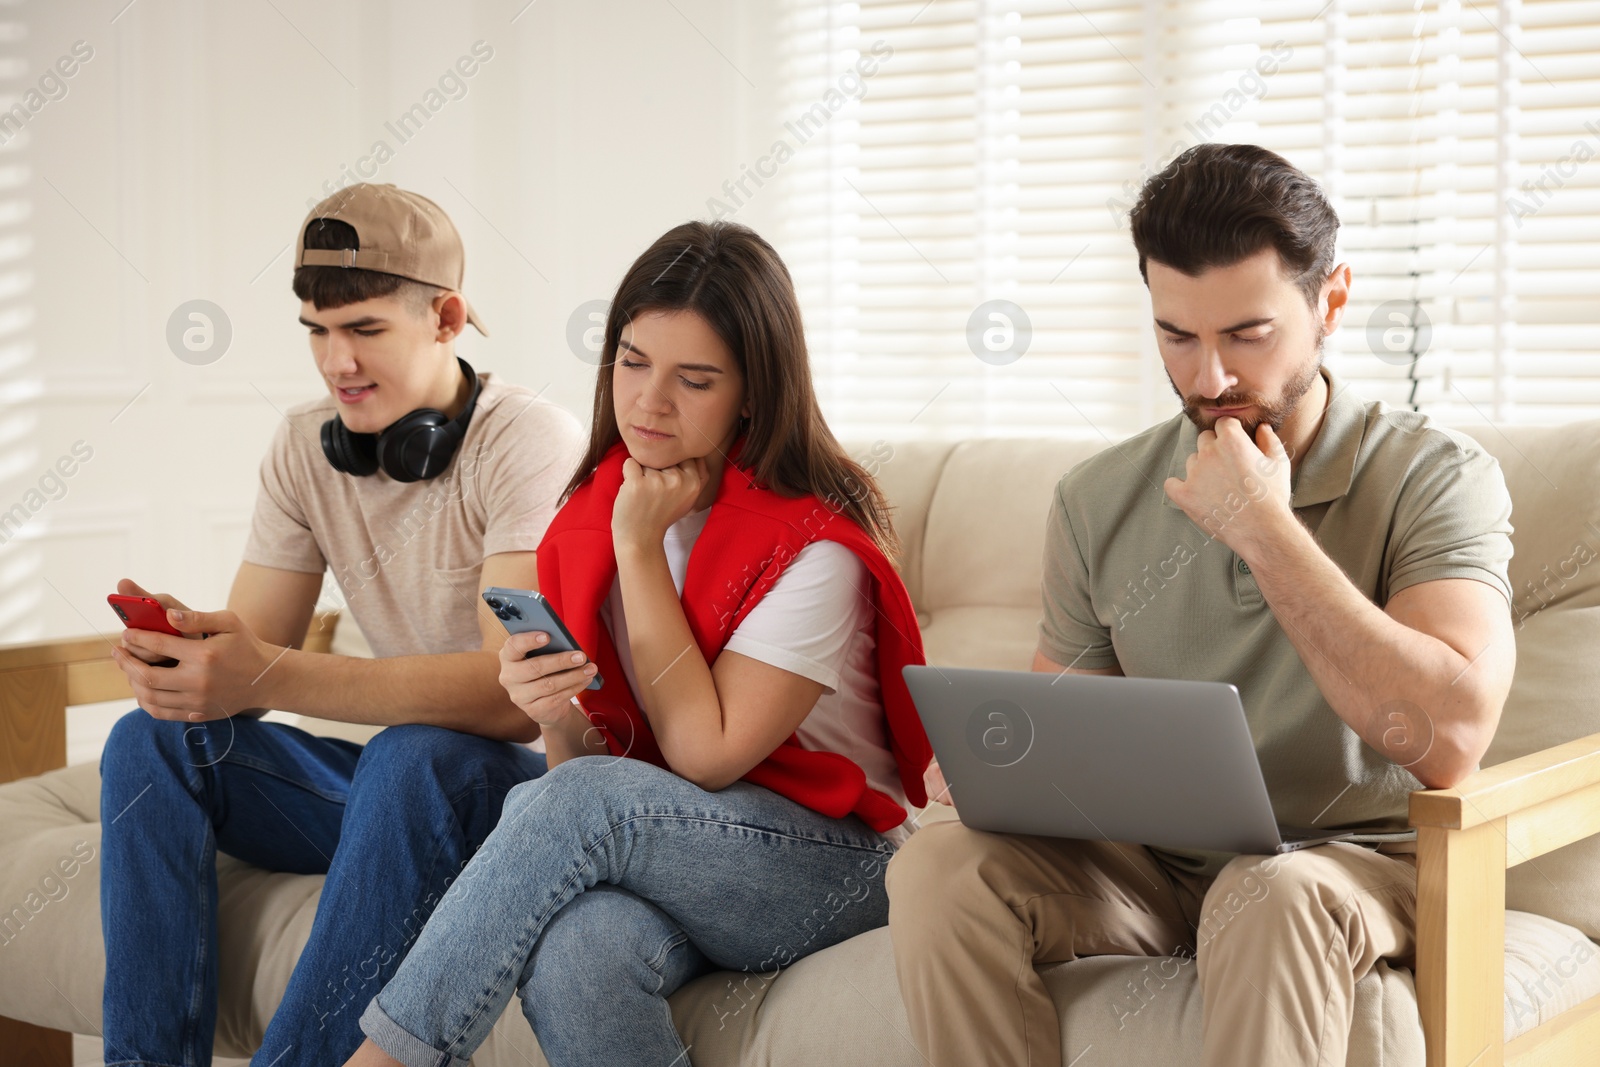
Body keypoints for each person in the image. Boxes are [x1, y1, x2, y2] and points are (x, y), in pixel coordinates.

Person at [885, 143, 1517, 1067]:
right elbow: (1069, 729)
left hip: (1360, 867)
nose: (1209, 378)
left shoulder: (1435, 477)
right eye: (1176, 335)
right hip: (1163, 871)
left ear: (1330, 302)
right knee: (942, 867)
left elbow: (1449, 734)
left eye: (1248, 334)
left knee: (1265, 893)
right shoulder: (1098, 497)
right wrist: (999, 761)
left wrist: (1265, 530)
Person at [339, 219, 933, 1067]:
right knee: (579, 947)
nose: (649, 401)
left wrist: (640, 549)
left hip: (837, 865)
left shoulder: (816, 548)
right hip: (685, 847)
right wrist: (554, 708)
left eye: (694, 379)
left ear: (753, 395)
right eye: (632, 360)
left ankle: (388, 1058)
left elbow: (701, 753)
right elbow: (585, 769)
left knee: (571, 808)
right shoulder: (591, 513)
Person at [97, 182, 587, 1065]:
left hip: (509, 790)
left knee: (414, 752)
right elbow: (246, 669)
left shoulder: (528, 442)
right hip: (391, 798)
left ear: (445, 318)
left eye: (363, 330)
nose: (336, 362)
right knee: (149, 741)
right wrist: (194, 656)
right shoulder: (303, 447)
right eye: (316, 332)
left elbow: (510, 698)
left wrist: (269, 673)